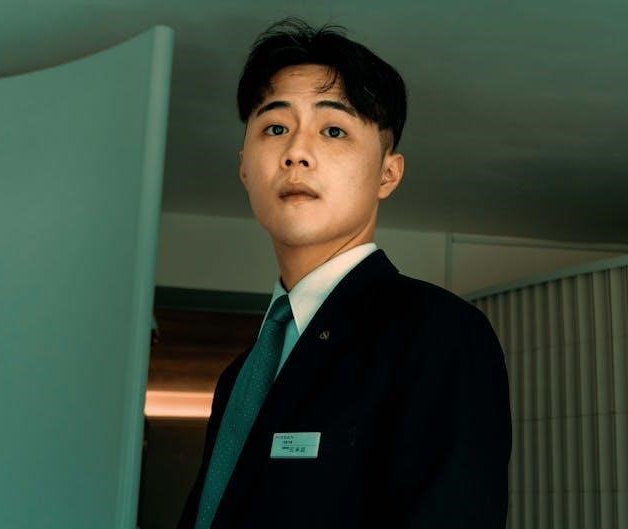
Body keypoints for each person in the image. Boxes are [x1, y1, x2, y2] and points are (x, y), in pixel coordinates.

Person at [178, 17, 512, 529]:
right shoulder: (239, 376)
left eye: (333, 130)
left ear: (387, 173)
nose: (296, 153)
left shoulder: (438, 333)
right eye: (275, 128)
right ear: (244, 166)